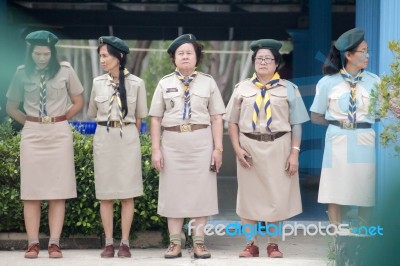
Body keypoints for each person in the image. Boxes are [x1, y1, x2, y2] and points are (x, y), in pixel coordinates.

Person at [224, 39, 309, 258]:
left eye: (268, 59)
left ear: (276, 63)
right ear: (253, 62)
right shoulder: (241, 88)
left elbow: (297, 123)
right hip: (249, 146)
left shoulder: (289, 89)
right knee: (248, 196)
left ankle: (273, 244)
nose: (263, 62)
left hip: (279, 145)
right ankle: (250, 243)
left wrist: (294, 153)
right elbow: (231, 122)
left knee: (277, 195)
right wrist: (236, 148)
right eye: (259, 58)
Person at [6, 30, 84, 259]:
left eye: (46, 54)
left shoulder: (66, 71)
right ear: (30, 53)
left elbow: (79, 101)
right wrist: (31, 122)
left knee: (57, 191)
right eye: (37, 54)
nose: (41, 58)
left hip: (58, 133)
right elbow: (11, 106)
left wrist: (60, 119)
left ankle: (54, 243)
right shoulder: (21, 73)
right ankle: (32, 244)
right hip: (32, 134)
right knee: (31, 191)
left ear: (53, 52)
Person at [149, 34, 225, 259]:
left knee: (202, 193)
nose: (185, 56)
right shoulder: (164, 83)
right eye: (180, 53)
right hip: (172, 143)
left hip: (201, 142)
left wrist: (218, 148)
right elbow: (155, 118)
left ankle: (199, 243)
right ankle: (174, 244)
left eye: (189, 52)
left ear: (196, 57)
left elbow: (217, 117)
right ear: (174, 58)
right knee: (173, 193)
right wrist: (156, 149)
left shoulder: (208, 82)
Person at [310, 28, 379, 226]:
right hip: (337, 138)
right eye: (363, 51)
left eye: (368, 50)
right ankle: (336, 237)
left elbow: (381, 113)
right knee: (334, 188)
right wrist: (339, 124)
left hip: (364, 137)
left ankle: (364, 238)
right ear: (348, 55)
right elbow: (316, 116)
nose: (367, 55)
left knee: (365, 187)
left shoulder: (375, 82)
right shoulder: (327, 82)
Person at [87, 36, 148, 258]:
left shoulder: (137, 83)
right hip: (104, 136)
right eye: (100, 56)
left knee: (127, 194)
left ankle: (125, 243)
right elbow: (93, 113)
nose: (102, 60)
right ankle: (108, 243)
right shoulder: (97, 83)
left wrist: (130, 137)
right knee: (105, 194)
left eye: (105, 55)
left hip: (128, 137)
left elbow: (140, 117)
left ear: (119, 57)